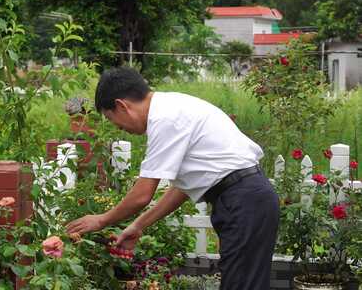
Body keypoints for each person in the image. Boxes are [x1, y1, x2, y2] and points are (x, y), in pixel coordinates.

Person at [66, 67, 279, 289]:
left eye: (112, 119)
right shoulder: (171, 108)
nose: (118, 128)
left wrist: (102, 220)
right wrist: (138, 225)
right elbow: (182, 188)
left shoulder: (165, 119)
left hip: (244, 201)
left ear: (122, 105)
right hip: (246, 199)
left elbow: (142, 195)